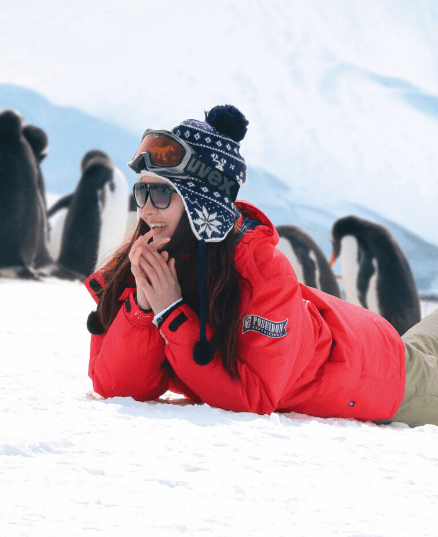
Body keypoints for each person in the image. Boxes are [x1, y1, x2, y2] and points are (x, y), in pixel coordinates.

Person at [85, 105, 438, 427]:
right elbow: (115, 386)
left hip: (383, 375)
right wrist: (144, 309)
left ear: (201, 204)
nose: (146, 210)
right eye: (141, 193)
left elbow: (254, 397)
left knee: (420, 355)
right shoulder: (153, 262)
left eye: (161, 194)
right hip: (353, 341)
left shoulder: (261, 268)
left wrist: (173, 314)